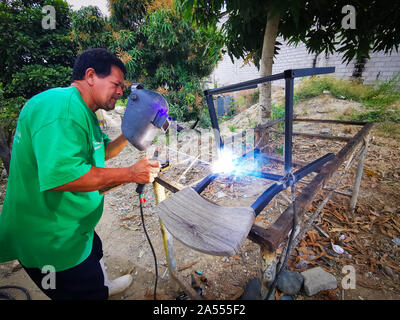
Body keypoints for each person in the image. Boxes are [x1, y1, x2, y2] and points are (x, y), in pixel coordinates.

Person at [0, 48, 161, 300]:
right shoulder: (62, 110)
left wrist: (131, 133)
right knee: (82, 292)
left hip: (73, 224)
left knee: (94, 252)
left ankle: (102, 287)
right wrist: (131, 173)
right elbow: (66, 177)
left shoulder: (82, 110)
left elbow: (102, 152)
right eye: (116, 84)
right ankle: (96, 291)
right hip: (51, 237)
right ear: (90, 75)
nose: (120, 92)